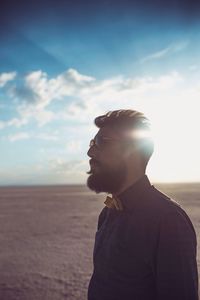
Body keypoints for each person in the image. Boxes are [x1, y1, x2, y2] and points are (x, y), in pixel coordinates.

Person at [86, 109, 199, 300]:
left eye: (101, 142)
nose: (90, 151)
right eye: (91, 143)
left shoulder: (167, 220)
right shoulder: (107, 213)